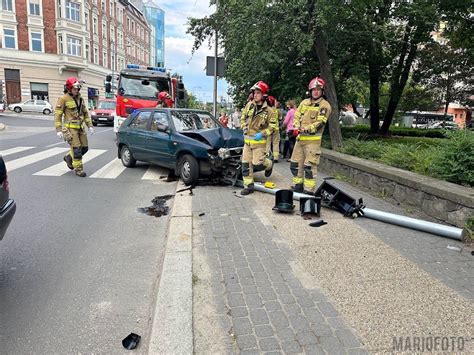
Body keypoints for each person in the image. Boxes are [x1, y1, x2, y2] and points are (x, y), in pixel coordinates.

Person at [289, 77, 332, 194]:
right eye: (313, 89)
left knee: (309, 168)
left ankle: (309, 191)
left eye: (318, 89)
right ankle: (297, 185)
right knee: (295, 164)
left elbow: (320, 122)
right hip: (300, 140)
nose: (316, 91)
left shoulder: (324, 105)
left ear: (322, 91)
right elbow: (297, 116)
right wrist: (296, 126)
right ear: (310, 91)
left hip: (312, 143)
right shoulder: (304, 103)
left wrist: (306, 129)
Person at [240, 81, 277, 195]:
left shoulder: (270, 111)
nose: (255, 95)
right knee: (246, 164)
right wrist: (244, 126)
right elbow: (242, 118)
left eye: (258, 93)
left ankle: (269, 164)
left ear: (264, 95)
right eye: (254, 93)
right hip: (247, 142)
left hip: (259, 142)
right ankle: (248, 186)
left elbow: (273, 126)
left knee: (257, 163)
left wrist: (263, 133)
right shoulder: (249, 105)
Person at [55, 77, 94, 177]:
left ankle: (68, 157)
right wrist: (59, 130)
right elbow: (58, 115)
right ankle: (78, 169)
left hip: (81, 128)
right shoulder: (63, 99)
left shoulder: (80, 99)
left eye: (78, 89)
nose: (76, 90)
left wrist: (90, 126)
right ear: (69, 88)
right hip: (70, 129)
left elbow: (85, 113)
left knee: (84, 148)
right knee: (77, 150)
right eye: (74, 89)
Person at [265, 96, 281, 163]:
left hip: (268, 129)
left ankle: (267, 156)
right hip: (276, 129)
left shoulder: (266, 110)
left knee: (267, 143)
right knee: (275, 143)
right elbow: (280, 118)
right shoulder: (277, 110)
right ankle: (276, 157)